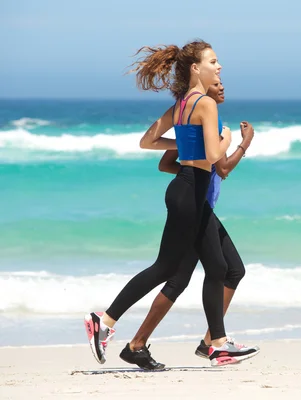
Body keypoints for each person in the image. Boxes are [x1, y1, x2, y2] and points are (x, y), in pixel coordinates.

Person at [83, 40, 258, 370]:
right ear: (196, 68)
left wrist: (184, 141)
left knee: (220, 268)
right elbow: (214, 156)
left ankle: (217, 344)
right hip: (190, 192)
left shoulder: (181, 104)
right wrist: (231, 140)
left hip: (187, 190)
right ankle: (103, 320)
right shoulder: (205, 103)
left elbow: (146, 141)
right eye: (213, 62)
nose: (219, 67)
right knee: (166, 268)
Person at [157, 80, 255, 359]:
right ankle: (137, 343)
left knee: (226, 271)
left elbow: (166, 164)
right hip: (197, 208)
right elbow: (222, 168)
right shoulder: (208, 120)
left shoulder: (200, 121)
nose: (222, 87)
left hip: (202, 206)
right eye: (216, 84)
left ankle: (211, 341)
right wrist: (244, 143)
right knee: (181, 278)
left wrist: (191, 174)